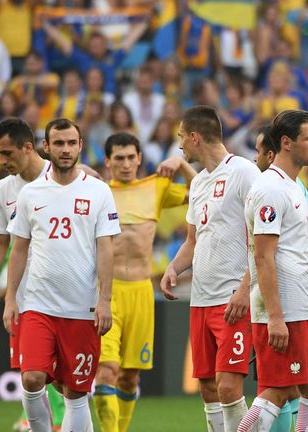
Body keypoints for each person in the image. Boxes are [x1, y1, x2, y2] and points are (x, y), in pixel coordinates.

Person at [2, 118, 121, 432]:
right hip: (38, 305)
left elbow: (106, 249)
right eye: (59, 143)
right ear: (46, 147)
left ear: (80, 146)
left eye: (71, 143)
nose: (66, 150)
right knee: (31, 378)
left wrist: (105, 301)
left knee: (76, 391)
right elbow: (18, 249)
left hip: (82, 308)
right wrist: (11, 298)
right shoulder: (31, 194)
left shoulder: (98, 191)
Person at [160, 106, 260, 432]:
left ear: (195, 137)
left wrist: (246, 290)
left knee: (229, 387)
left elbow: (263, 238)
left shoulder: (245, 172)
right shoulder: (200, 182)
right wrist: (173, 268)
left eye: (180, 139)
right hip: (200, 300)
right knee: (208, 389)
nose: (179, 147)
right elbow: (192, 239)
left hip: (233, 296)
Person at [93, 132, 195, 432]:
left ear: (139, 158)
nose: (125, 164)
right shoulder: (97, 191)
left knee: (129, 377)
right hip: (105, 292)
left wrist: (181, 162)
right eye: (118, 158)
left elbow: (202, 192)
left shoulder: (156, 187)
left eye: (130, 157)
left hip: (141, 291)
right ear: (108, 161)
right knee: (106, 372)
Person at [0, 118, 66, 430]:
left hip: (69, 294)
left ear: (28, 147)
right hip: (26, 298)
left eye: (7, 153)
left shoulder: (67, 179)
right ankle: (42, 424)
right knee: (32, 375)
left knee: (69, 382)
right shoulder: (4, 190)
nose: (2, 161)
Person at [239, 110, 308, 432]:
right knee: (278, 390)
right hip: (281, 310)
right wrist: (275, 316)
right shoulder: (270, 189)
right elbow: (263, 257)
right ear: (287, 143)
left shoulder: (291, 186)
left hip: (301, 305)